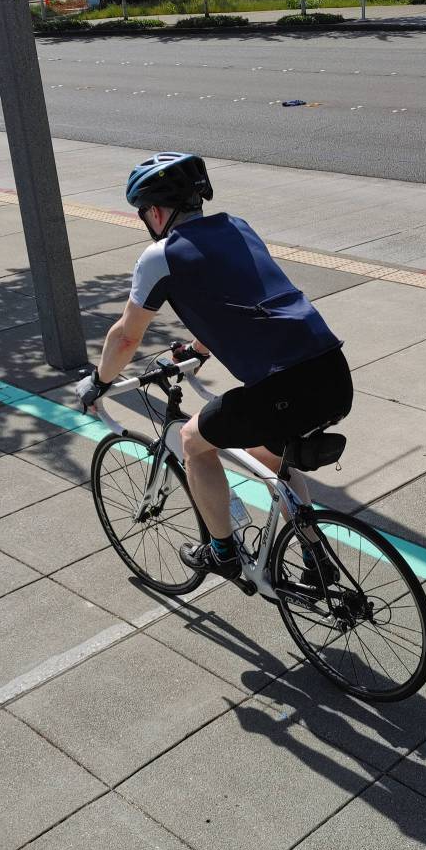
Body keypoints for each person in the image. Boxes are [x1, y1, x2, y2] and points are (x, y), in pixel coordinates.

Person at [76, 152, 352, 582]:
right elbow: (243, 298)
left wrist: (99, 381)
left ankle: (222, 551)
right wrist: (198, 347)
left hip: (286, 388)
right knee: (271, 459)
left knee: (192, 440)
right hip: (332, 371)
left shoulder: (161, 256)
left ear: (154, 211)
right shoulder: (236, 226)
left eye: (143, 213)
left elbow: (126, 336)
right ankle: (317, 559)